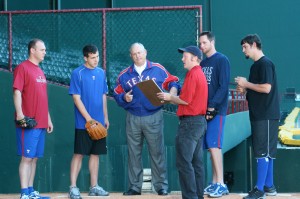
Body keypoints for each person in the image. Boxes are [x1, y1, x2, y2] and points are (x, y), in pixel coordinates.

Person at [113, 42, 180, 196]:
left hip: (154, 115)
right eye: (134, 54)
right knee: (133, 153)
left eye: (140, 52)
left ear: (146, 52)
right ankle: (135, 187)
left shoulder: (157, 69)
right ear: (131, 56)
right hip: (133, 117)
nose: (138, 56)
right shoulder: (124, 75)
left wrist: (172, 93)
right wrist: (124, 97)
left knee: (157, 153)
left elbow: (173, 81)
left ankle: (161, 186)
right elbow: (117, 94)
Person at [157, 46, 207, 199]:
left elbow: (185, 100)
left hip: (190, 124)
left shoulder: (193, 74)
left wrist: (169, 97)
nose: (182, 59)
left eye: (185, 56)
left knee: (185, 164)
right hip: (198, 123)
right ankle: (197, 196)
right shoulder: (198, 73)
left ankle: (191, 196)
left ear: (194, 58)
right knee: (196, 163)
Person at [235, 34, 280, 199]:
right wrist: (245, 89)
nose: (243, 50)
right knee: (266, 152)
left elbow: (267, 88)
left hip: (266, 114)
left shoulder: (265, 63)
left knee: (263, 152)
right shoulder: (255, 66)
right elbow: (257, 88)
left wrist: (246, 84)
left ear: (254, 45)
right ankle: (269, 186)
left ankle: (260, 190)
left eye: (245, 46)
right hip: (259, 113)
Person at [13, 39, 54, 199]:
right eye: (42, 49)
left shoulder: (40, 71)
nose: (45, 52)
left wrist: (48, 119)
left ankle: (30, 191)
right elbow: (17, 92)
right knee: (27, 158)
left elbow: (43, 98)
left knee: (34, 158)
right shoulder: (22, 68)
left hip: (41, 122)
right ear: (32, 50)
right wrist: (20, 115)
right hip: (28, 122)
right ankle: (24, 193)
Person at [68, 44, 109, 199]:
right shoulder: (77, 73)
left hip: (99, 122)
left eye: (97, 56)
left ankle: (94, 186)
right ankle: (73, 187)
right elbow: (76, 98)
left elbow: (103, 95)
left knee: (95, 154)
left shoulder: (101, 73)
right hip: (83, 123)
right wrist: (89, 119)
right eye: (92, 57)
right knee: (79, 154)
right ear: (85, 57)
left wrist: (105, 117)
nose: (96, 60)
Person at [199, 31, 230, 198]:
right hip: (205, 111)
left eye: (204, 42)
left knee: (214, 146)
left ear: (212, 41)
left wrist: (212, 106)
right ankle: (214, 182)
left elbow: (223, 86)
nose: (202, 46)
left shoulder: (222, 60)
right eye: (200, 44)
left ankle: (221, 183)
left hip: (217, 111)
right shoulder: (203, 64)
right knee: (210, 148)